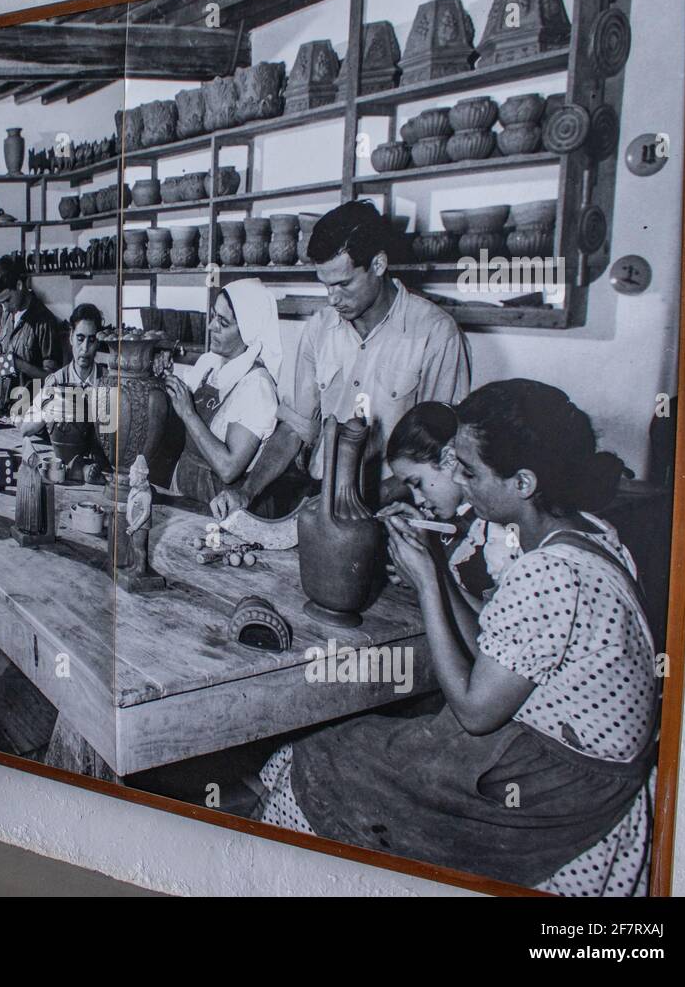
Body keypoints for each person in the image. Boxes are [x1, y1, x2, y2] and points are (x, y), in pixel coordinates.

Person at [256, 380, 657, 896]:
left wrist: (426, 585)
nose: (458, 482)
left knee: (321, 760)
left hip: (562, 790)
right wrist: (438, 567)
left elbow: (474, 711)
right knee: (348, 748)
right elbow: (493, 641)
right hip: (567, 762)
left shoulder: (551, 572)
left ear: (523, 483)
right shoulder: (588, 533)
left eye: (469, 471)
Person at [210, 200, 471, 520]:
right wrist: (246, 492)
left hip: (393, 505)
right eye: (326, 285)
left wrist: (361, 505)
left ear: (378, 264)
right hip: (320, 495)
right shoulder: (319, 329)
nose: (333, 298)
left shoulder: (435, 334)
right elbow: (294, 429)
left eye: (344, 284)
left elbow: (442, 454)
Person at [381, 400, 520, 610]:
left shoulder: (498, 530)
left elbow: (493, 627)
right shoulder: (457, 522)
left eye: (418, 483)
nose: (418, 499)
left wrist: (428, 580)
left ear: (449, 459)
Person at [158, 278, 283, 512]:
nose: (211, 326)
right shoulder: (208, 363)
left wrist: (188, 413)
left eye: (223, 323)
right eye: (214, 315)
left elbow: (228, 468)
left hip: (222, 504)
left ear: (248, 331)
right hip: (186, 487)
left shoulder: (257, 387)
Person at [0, 254, 60, 415]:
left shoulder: (44, 321)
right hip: (4, 409)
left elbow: (52, 379)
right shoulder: (6, 313)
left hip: (30, 415)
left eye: (7, 300)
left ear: (19, 285)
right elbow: (4, 371)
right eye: (0, 303)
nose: (4, 308)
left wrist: (20, 364)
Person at [20, 302, 105, 438]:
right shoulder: (56, 380)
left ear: (98, 342)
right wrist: (49, 410)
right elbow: (25, 429)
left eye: (91, 340)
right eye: (80, 339)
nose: (85, 348)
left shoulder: (108, 380)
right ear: (71, 337)